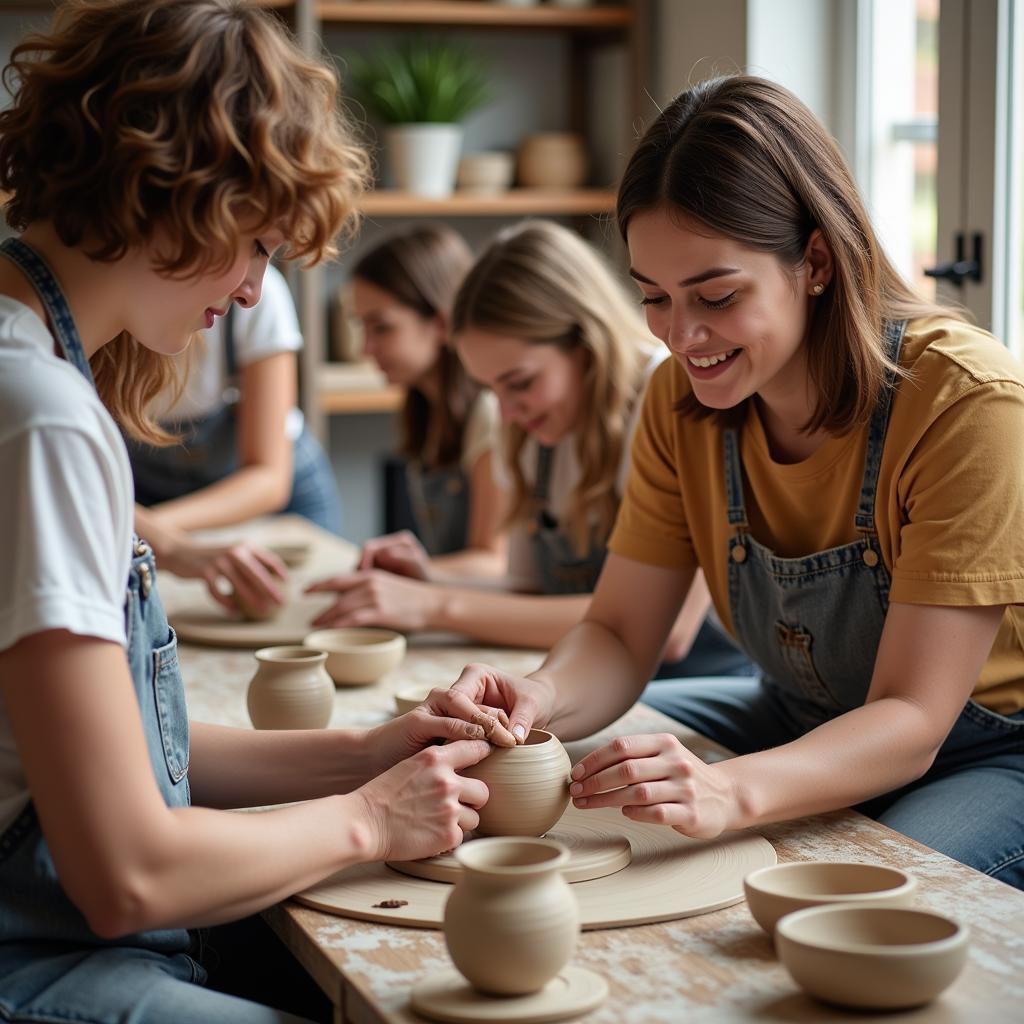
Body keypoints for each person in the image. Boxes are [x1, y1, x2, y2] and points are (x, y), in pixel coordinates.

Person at [0, 3, 511, 1022]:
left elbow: (132, 754)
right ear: (176, 194)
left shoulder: (37, 368)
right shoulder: (42, 418)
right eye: (259, 245)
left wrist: (369, 749)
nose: (247, 294)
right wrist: (367, 820)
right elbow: (128, 873)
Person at [437, 75, 1024, 891]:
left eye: (716, 296)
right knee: (578, 784)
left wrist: (727, 789)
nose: (683, 335)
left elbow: (913, 719)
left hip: (986, 749)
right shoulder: (677, 400)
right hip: (798, 713)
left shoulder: (965, 401)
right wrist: (538, 695)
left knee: (857, 894)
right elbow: (618, 634)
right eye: (654, 298)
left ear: (814, 260)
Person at [309, 220, 752, 679]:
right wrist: (427, 581)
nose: (505, 412)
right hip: (607, 677)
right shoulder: (529, 432)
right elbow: (533, 589)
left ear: (586, 343)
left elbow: (671, 630)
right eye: (491, 389)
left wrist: (435, 605)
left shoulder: (665, 400)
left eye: (520, 383)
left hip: (702, 680)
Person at [349, 224, 507, 580]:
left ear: (440, 322)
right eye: (362, 327)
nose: (365, 349)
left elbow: (493, 562)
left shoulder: (491, 412)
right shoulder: (424, 411)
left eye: (382, 328)